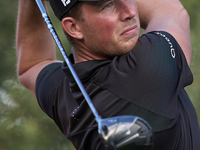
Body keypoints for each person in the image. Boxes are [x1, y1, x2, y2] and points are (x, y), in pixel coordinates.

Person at [16, 0, 200, 149]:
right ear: (74, 27)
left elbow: (32, 65)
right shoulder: (146, 67)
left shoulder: (63, 90)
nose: (129, 11)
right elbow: (172, 11)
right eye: (108, 4)